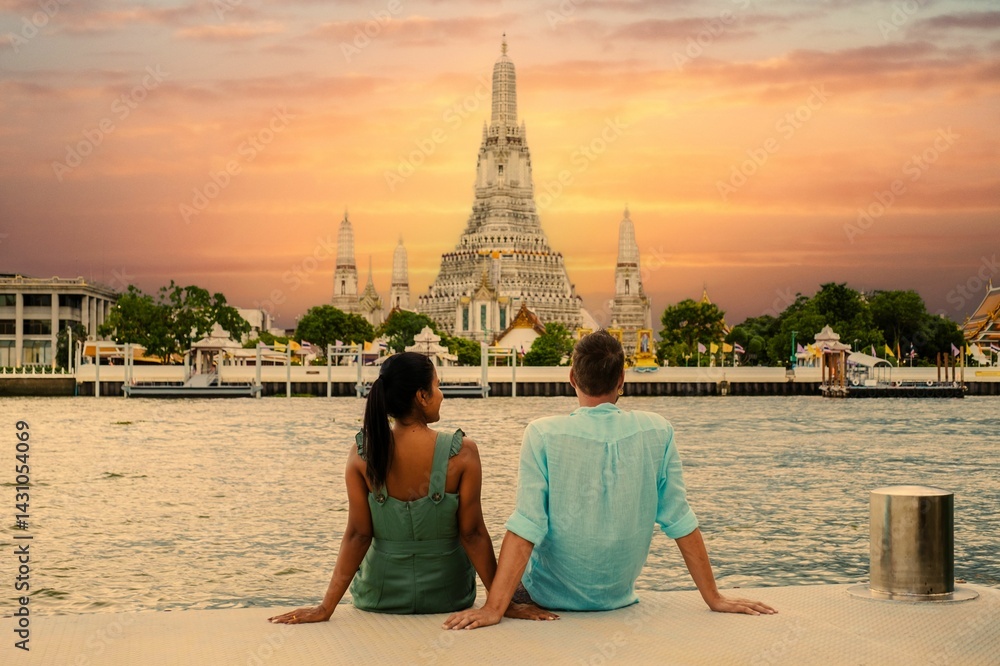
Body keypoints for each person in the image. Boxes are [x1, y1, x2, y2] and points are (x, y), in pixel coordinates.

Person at [443, 330, 776, 630]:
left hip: (547, 595)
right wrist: (714, 598)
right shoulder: (658, 430)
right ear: (622, 380)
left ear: (572, 378)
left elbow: (527, 526)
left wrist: (494, 608)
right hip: (616, 595)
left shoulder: (542, 433)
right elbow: (680, 520)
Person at [269, 352, 547, 624]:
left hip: (379, 598)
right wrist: (501, 604)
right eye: (437, 387)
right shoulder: (462, 453)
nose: (441, 395)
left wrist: (325, 607)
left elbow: (357, 535)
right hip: (449, 597)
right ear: (421, 396)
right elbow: (472, 534)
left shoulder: (362, 454)